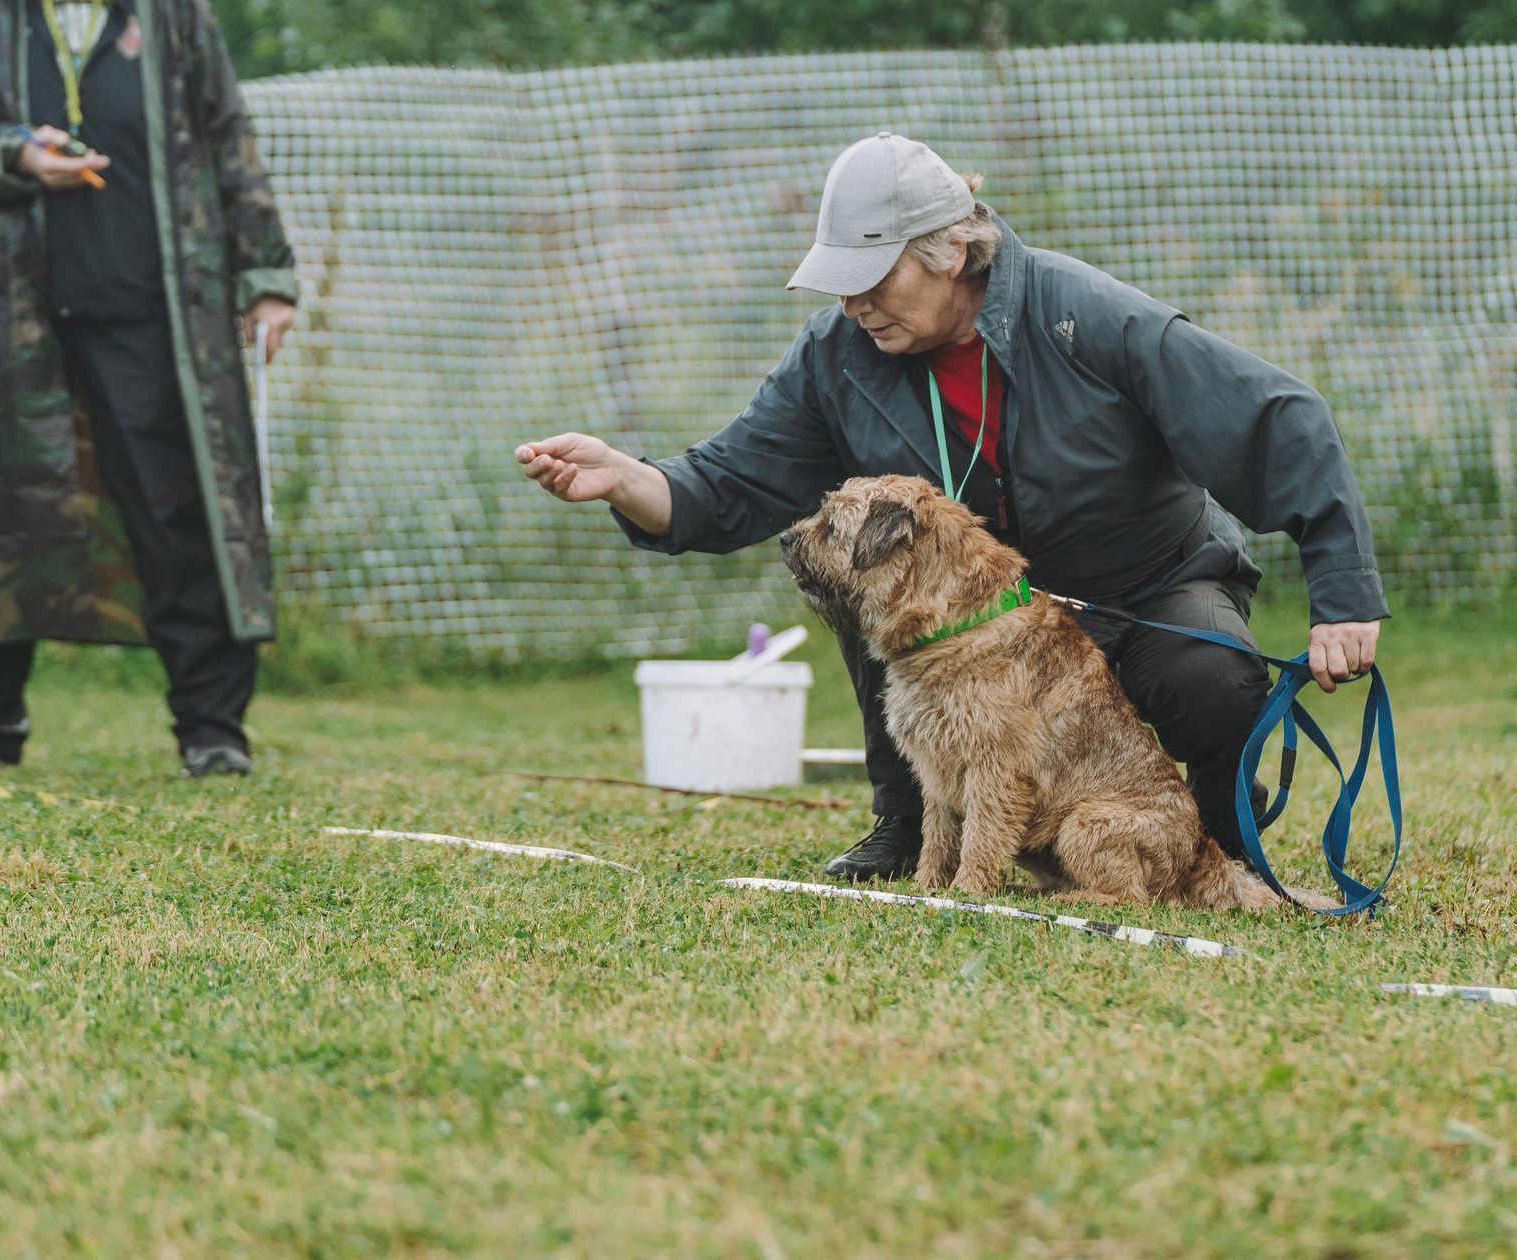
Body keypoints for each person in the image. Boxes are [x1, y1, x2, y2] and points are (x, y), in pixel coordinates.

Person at [517, 133, 1386, 877]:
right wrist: (625, 477)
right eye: (839, 280)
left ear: (949, 251)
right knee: (868, 585)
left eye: (872, 276)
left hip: (1139, 586)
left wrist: (1342, 592)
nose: (852, 301)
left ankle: (1219, 836)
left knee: (1215, 679)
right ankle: (908, 823)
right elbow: (730, 483)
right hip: (979, 621)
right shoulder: (836, 354)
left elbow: (1279, 417)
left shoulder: (1086, 316)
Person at [0, 0, 298, 778]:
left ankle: (212, 730)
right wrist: (11, 153)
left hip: (154, 307)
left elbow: (227, 135)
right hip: (10, 311)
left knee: (177, 511)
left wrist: (267, 276)